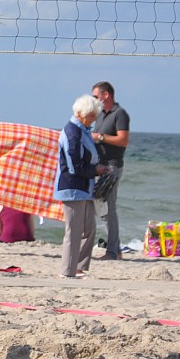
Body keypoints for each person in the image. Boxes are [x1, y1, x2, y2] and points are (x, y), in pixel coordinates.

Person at [55, 94, 110, 278]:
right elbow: (74, 165)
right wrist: (96, 170)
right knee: (74, 231)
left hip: (85, 187)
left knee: (89, 228)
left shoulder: (83, 130)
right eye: (91, 116)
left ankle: (80, 267)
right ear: (79, 113)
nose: (94, 119)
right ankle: (67, 271)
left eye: (95, 115)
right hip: (72, 188)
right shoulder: (72, 132)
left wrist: (97, 169)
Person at [91, 80, 130, 259]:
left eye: (95, 96)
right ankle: (116, 249)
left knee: (108, 209)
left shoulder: (120, 114)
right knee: (102, 208)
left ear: (105, 95)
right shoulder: (100, 114)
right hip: (100, 166)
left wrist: (99, 137)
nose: (93, 100)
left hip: (112, 166)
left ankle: (113, 251)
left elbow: (123, 140)